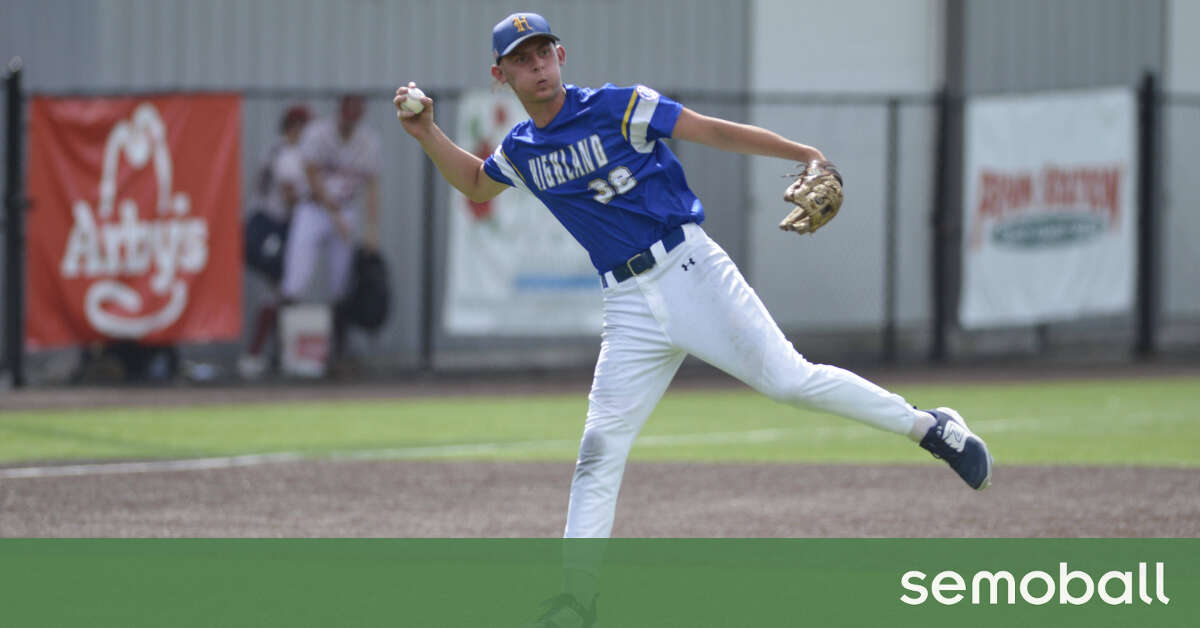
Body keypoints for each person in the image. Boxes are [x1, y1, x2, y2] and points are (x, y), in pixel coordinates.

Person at [395, 12, 992, 625]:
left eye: (544, 52)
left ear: (562, 55)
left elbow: (713, 131)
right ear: (501, 76)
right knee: (600, 447)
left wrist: (804, 152)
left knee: (791, 380)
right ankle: (576, 601)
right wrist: (427, 134)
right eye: (522, 59)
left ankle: (931, 428)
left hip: (689, 269)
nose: (537, 66)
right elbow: (473, 181)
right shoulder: (522, 148)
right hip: (627, 305)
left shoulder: (618, 106)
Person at [280, 94, 382, 373]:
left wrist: (372, 231)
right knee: (295, 281)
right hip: (313, 210)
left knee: (341, 286)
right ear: (340, 112)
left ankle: (337, 356)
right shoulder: (318, 133)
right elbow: (311, 175)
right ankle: (282, 353)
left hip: (345, 210)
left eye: (355, 112)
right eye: (347, 111)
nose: (350, 118)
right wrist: (333, 213)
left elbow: (372, 186)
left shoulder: (367, 141)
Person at [239, 104, 311, 379]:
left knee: (284, 293)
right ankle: (256, 355)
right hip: (268, 226)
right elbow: (290, 196)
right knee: (281, 291)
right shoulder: (286, 153)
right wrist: (317, 196)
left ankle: (276, 354)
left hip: (275, 227)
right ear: (293, 127)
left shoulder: (283, 150)